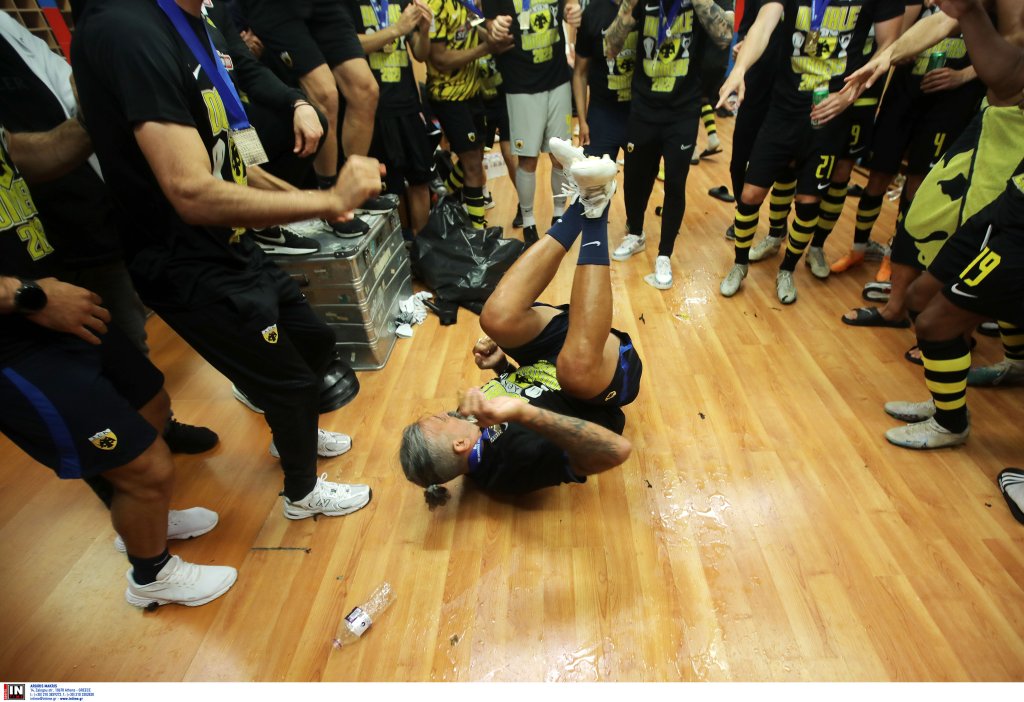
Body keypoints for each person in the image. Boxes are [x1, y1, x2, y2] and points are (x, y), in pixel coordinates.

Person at [72, 0, 379, 522]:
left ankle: (293, 434)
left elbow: (228, 156)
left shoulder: (197, 21)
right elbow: (190, 191)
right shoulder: (128, 29)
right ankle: (301, 494)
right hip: (184, 260)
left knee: (312, 340)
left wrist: (313, 202)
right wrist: (327, 199)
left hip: (230, 244)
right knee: (290, 381)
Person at [0, 121, 236, 608]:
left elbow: (30, 153)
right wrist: (29, 296)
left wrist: (94, 111)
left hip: (57, 300)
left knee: (151, 403)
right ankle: (151, 577)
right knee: (145, 468)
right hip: (16, 340)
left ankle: (144, 520)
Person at [0, 12, 219, 455]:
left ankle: (152, 436)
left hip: (82, 225)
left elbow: (29, 143)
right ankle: (123, 461)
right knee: (80, 397)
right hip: (21, 274)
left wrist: (93, 112)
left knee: (130, 351)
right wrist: (28, 294)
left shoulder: (9, 30)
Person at [400, 138, 640, 500]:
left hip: (556, 355)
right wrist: (523, 414)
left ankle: (583, 201)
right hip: (600, 377)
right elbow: (615, 450)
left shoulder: (471, 421)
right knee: (574, 369)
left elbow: (532, 391)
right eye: (440, 420)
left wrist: (501, 367)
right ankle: (596, 210)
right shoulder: (510, 464)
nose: (445, 413)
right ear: (460, 445)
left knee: (495, 319)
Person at [880, 0, 1024, 451]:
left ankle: (951, 422)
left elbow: (1009, 74)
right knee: (921, 297)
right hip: (1011, 198)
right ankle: (947, 402)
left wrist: (969, 15)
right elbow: (1011, 77)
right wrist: (969, 12)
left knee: (936, 323)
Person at [839, 0, 1022, 344]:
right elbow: (943, 19)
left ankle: (958, 333)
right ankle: (895, 309)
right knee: (921, 213)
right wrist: (885, 57)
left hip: (1013, 133)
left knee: (985, 230)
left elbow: (1010, 69)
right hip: (990, 118)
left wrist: (965, 70)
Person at [716, 0, 904, 304]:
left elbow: (888, 46)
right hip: (783, 109)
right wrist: (739, 69)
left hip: (831, 112)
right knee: (750, 194)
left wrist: (848, 96)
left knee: (808, 200)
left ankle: (787, 270)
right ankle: (739, 265)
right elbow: (764, 22)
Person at [604, 0, 734, 290]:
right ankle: (635, 233)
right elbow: (610, 47)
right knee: (635, 177)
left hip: (682, 110)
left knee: (675, 182)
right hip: (644, 106)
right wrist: (628, 7)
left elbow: (725, 36)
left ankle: (664, 254)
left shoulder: (696, 4)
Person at [240, 0, 392, 236]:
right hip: (276, 7)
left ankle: (354, 186)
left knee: (365, 90)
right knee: (325, 95)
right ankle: (331, 198)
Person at [484, 0, 582, 245]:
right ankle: (528, 221)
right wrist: (494, 27)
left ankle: (559, 216)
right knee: (528, 159)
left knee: (560, 155)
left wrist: (572, 9)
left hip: (557, 78)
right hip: (520, 84)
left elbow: (569, 4)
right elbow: (489, 26)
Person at [344, 0, 436, 238]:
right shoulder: (348, 4)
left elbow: (420, 53)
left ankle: (423, 248)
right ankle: (397, 248)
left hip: (408, 105)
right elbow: (346, 44)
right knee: (386, 189)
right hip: (372, 111)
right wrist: (396, 29)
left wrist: (425, 30)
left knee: (420, 180)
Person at [426, 0, 510, 229]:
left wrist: (493, 38)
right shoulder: (435, 5)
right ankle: (478, 232)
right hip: (448, 97)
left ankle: (441, 194)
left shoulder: (466, 3)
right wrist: (485, 49)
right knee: (472, 163)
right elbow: (440, 59)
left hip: (473, 93)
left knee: (476, 156)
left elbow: (472, 28)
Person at [572, 0, 637, 162]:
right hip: (602, 113)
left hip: (638, 112)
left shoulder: (645, 8)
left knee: (639, 178)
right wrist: (582, 121)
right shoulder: (592, 12)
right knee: (592, 175)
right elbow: (580, 73)